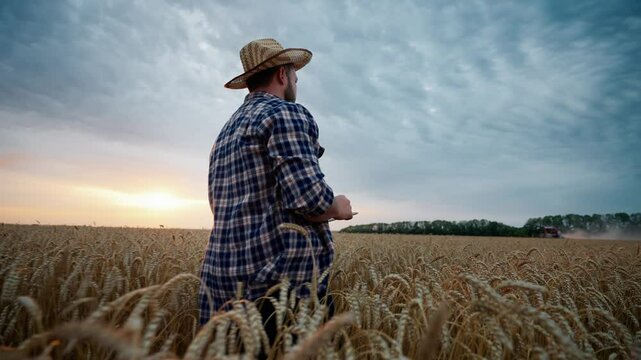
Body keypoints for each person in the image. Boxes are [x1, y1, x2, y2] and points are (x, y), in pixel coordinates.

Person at [198, 38, 353, 355]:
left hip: (221, 287)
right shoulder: (287, 115)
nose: (297, 80)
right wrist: (338, 207)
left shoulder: (225, 133)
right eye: (295, 73)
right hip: (279, 293)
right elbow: (310, 200)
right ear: (282, 74)